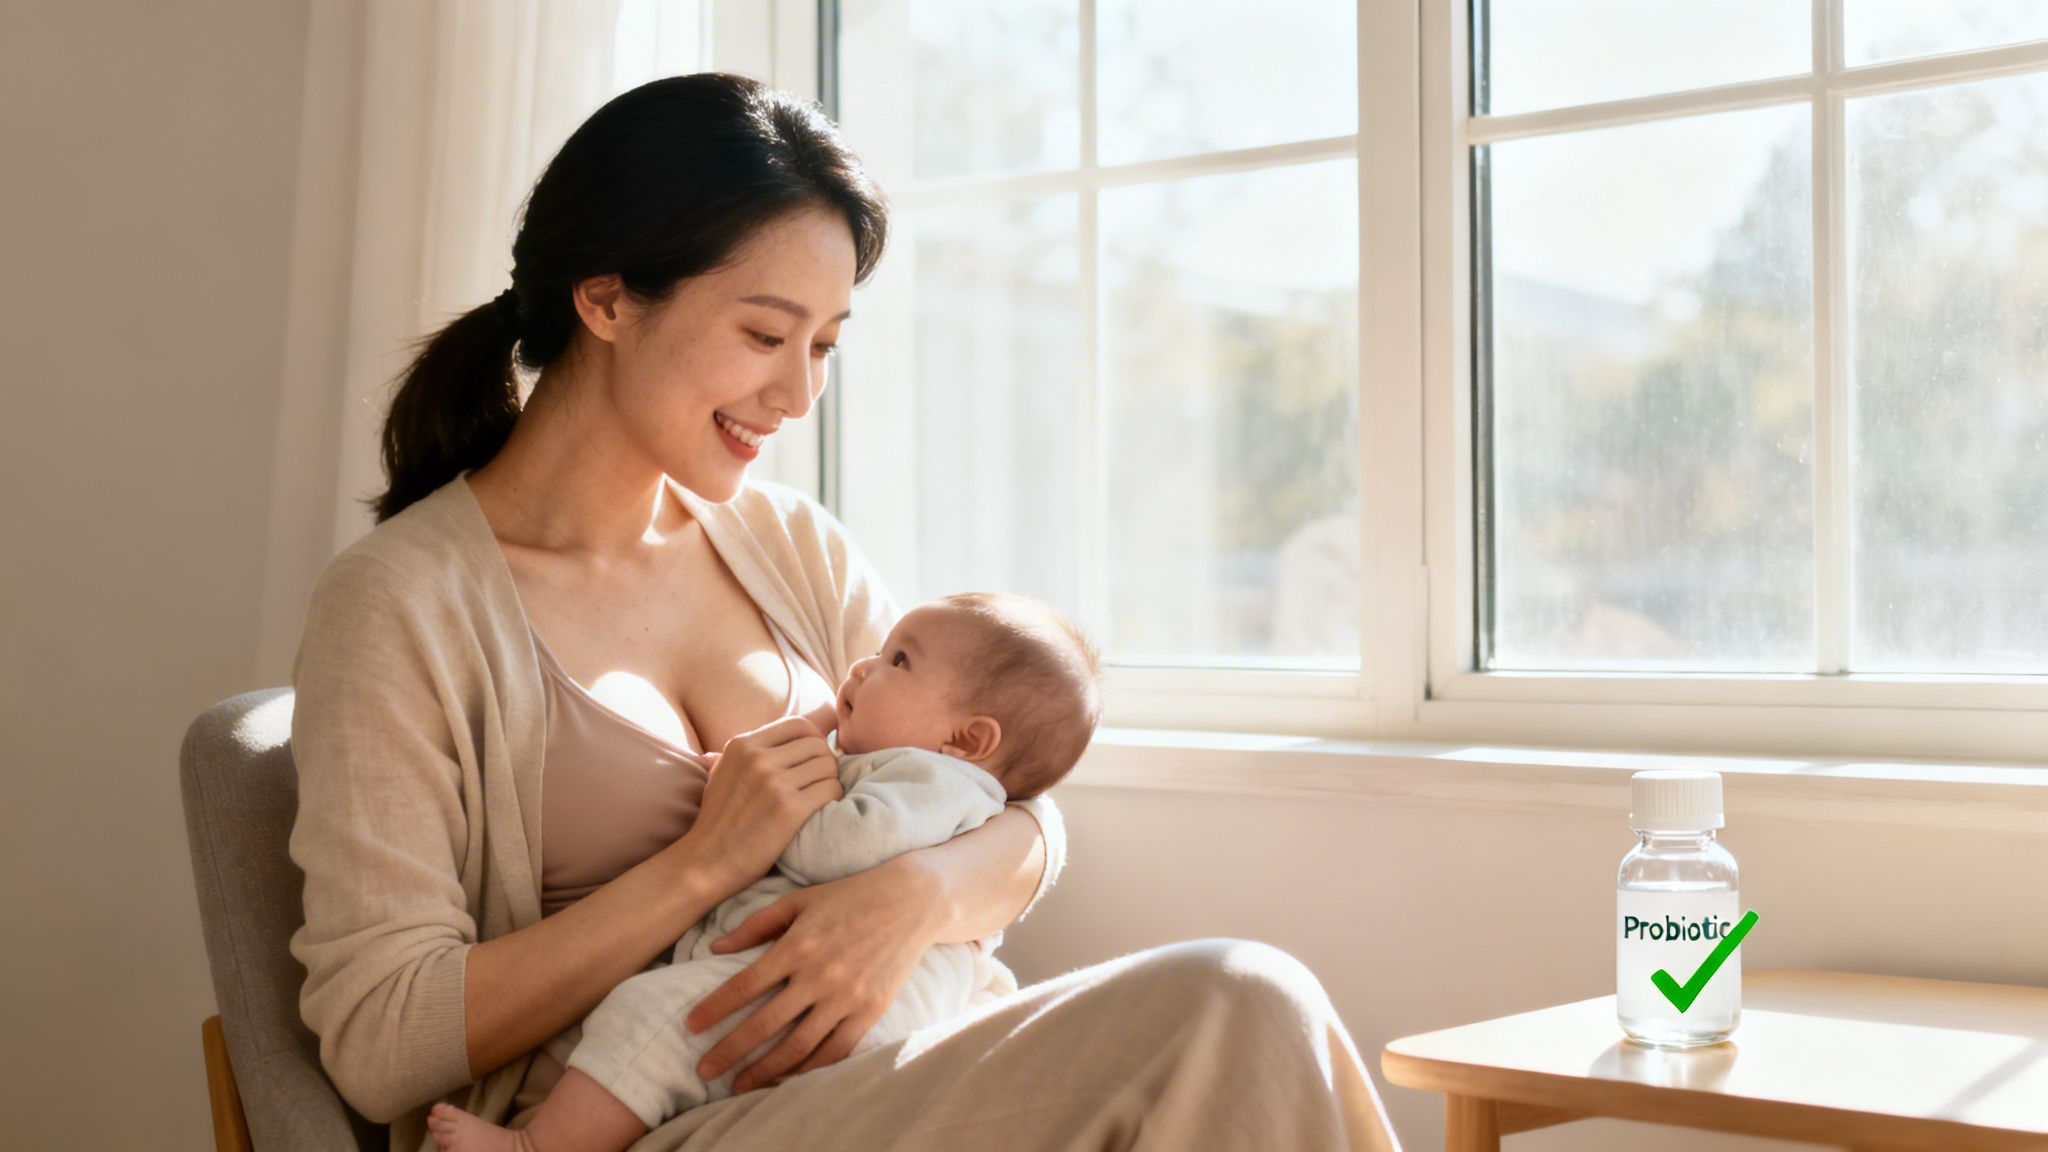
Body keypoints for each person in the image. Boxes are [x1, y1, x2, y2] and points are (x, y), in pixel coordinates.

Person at [289, 71, 1402, 1152]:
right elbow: (382, 1044)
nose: (798, 394)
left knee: (1240, 1007)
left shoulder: (791, 549)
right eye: (767, 336)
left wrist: (912, 896)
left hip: (871, 1079)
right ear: (607, 298)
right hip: (622, 1118)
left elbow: (1012, 802)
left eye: (824, 345)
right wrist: (700, 866)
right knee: (1225, 1004)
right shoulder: (402, 606)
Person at [426, 592, 1102, 1152]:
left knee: (650, 1021)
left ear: (968, 740)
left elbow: (842, 850)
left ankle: (537, 1148)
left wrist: (769, 808)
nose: (863, 667)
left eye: (897, 659)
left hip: (834, 1006)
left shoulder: (933, 777)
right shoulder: (929, 771)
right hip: (837, 1022)